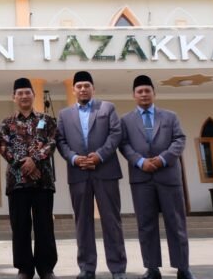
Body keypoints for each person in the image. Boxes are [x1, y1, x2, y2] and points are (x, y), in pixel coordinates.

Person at [119, 75, 196, 279]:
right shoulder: (125, 120)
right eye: (140, 91)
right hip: (141, 178)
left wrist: (162, 159)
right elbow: (124, 144)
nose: (144, 94)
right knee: (146, 225)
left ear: (154, 93)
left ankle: (183, 267)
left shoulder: (170, 117)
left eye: (147, 91)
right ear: (134, 95)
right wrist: (140, 161)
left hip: (168, 176)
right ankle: (152, 268)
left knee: (176, 223)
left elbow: (179, 140)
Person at [55, 71, 127, 279]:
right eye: (79, 86)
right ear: (73, 90)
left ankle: (117, 268)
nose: (83, 89)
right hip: (78, 173)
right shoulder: (64, 115)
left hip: (105, 171)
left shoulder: (107, 108)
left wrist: (100, 155)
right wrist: (74, 158)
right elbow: (60, 141)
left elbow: (116, 134)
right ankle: (86, 268)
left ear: (93, 88)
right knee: (83, 222)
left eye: (87, 85)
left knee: (111, 221)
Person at [0, 77, 58, 279]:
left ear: (33, 95)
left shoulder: (47, 120)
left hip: (43, 181)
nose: (24, 96)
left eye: (27, 92)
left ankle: (46, 268)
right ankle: (24, 269)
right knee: (20, 227)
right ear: (14, 97)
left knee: (44, 227)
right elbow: (3, 147)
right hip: (17, 183)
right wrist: (25, 166)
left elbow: (52, 143)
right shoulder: (7, 123)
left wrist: (35, 160)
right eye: (20, 93)